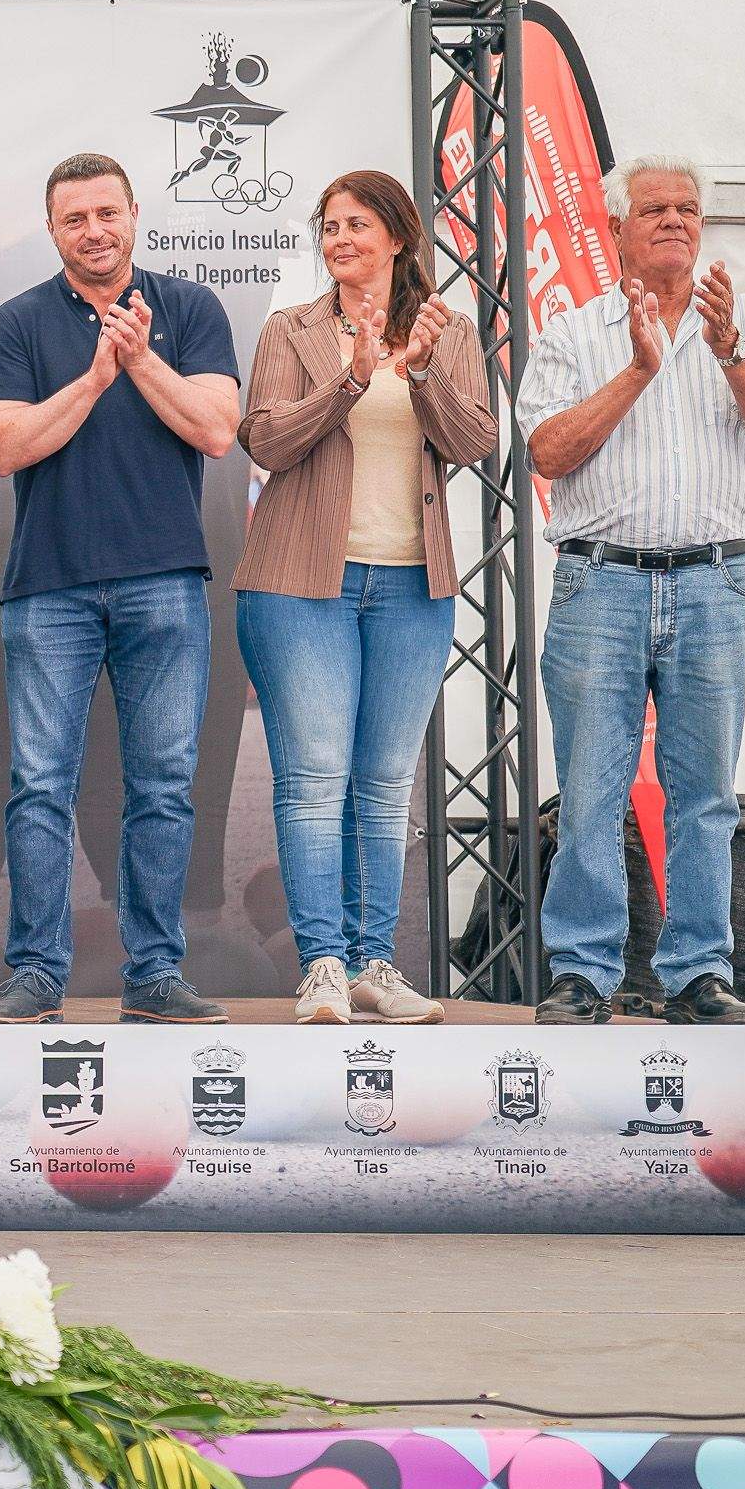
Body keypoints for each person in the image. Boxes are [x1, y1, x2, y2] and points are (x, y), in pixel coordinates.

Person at [520, 156, 745, 1026]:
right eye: (655, 209)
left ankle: (696, 974)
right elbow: (547, 452)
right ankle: (584, 971)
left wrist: (731, 354)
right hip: (600, 581)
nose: (676, 221)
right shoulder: (574, 332)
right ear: (616, 231)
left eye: (688, 209)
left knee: (706, 791)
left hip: (715, 580)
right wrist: (639, 370)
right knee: (590, 787)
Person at [0, 153, 242, 1025]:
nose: (93, 230)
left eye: (105, 213)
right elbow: (5, 447)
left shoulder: (192, 308)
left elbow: (214, 429)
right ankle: (37, 973)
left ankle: (156, 971)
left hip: (164, 580)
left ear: (134, 216)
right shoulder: (15, 323)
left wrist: (138, 361)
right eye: (74, 219)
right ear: (53, 231)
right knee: (38, 784)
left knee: (163, 783)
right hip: (46, 587)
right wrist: (93, 377)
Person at [236, 171, 498, 1025]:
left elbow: (478, 441)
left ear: (397, 237)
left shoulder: (447, 330)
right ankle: (321, 965)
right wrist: (349, 381)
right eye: (329, 226)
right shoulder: (292, 329)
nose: (339, 239)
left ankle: (375, 965)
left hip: (411, 586)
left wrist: (417, 374)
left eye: (356, 225)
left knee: (385, 785)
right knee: (314, 780)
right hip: (298, 582)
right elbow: (266, 441)